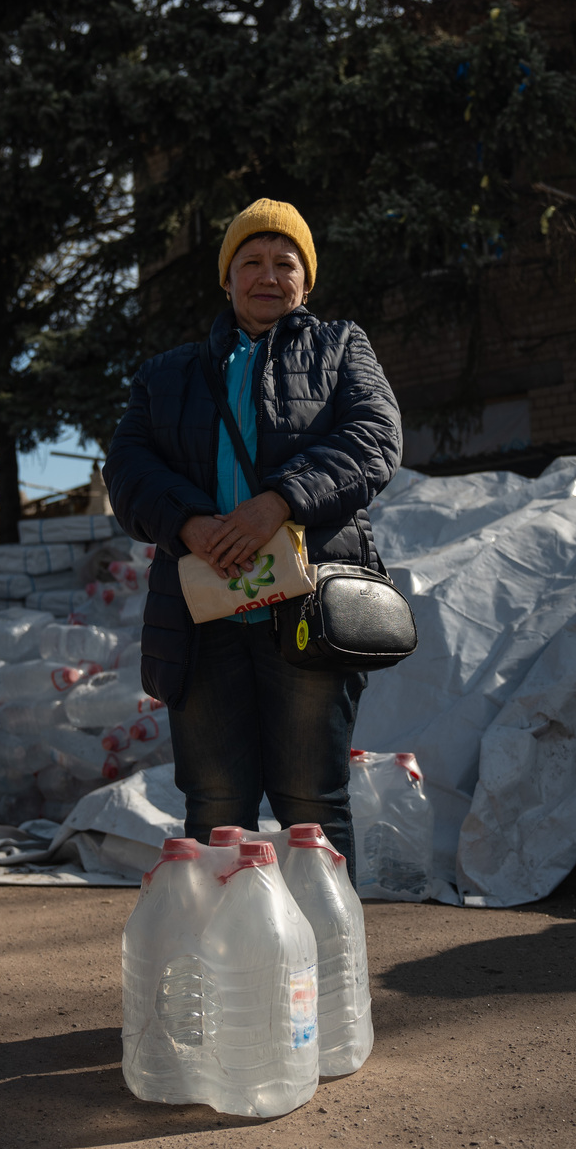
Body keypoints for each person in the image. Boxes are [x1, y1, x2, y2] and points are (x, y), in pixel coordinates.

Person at [104, 198, 401, 869]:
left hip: (309, 609)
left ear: (307, 279)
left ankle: (325, 970)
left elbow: (376, 439)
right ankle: (229, 969)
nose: (268, 276)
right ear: (227, 277)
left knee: (313, 804)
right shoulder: (167, 374)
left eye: (284, 263)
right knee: (214, 805)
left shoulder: (341, 347)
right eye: (251, 262)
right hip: (205, 616)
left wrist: (279, 503)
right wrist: (189, 521)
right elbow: (126, 467)